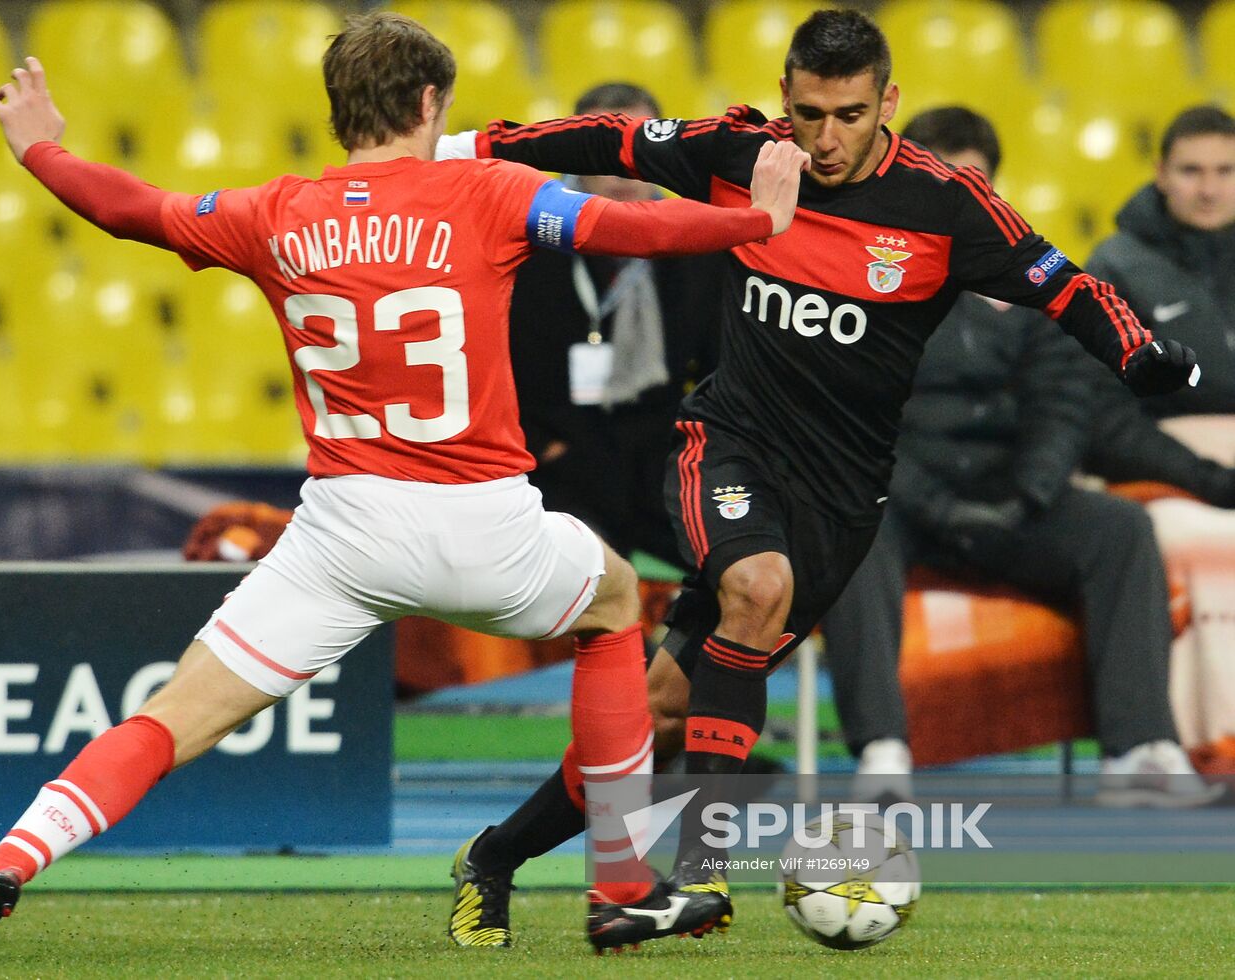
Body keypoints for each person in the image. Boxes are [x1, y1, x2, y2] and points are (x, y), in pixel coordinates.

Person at [0, 14, 812, 962]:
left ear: (336, 111)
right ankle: (618, 885)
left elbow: (130, 207)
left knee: (166, 720)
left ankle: (10, 859)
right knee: (611, 604)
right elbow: (633, 228)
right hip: (484, 521)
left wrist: (38, 146)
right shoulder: (491, 190)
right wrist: (757, 220)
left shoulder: (273, 210)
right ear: (429, 102)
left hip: (342, 535)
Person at [439, 8, 1202, 946]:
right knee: (758, 588)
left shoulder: (944, 207)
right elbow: (614, 138)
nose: (825, 139)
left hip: (842, 501)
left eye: (847, 114)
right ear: (786, 99)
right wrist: (462, 144)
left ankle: (494, 857)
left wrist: (1138, 352)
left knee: (666, 709)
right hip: (727, 443)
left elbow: (1062, 283)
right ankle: (699, 877)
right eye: (807, 113)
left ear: (889, 103)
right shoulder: (743, 151)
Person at [816, 106, 1222, 808]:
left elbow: (1067, 402)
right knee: (852, 527)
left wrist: (1027, 496)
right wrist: (942, 506)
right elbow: (851, 426)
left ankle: (1141, 751)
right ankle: (883, 752)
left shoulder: (1035, 277)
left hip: (1011, 499)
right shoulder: (855, 282)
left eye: (969, 184)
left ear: (993, 191)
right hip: (901, 501)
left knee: (1120, 531)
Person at [508, 82, 722, 567]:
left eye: (641, 148)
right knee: (587, 573)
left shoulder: (699, 244)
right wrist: (541, 446)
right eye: (606, 150)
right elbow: (491, 363)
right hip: (558, 468)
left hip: (666, 463)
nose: (623, 169)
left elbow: (721, 369)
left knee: (739, 561)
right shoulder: (524, 246)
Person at [1082, 105, 1235, 761]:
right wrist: (1208, 479)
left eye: (1226, 171)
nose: (1209, 187)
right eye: (1192, 170)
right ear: (1160, 174)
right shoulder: (1115, 264)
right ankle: (1211, 743)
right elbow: (1104, 417)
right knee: (1204, 547)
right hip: (1161, 473)